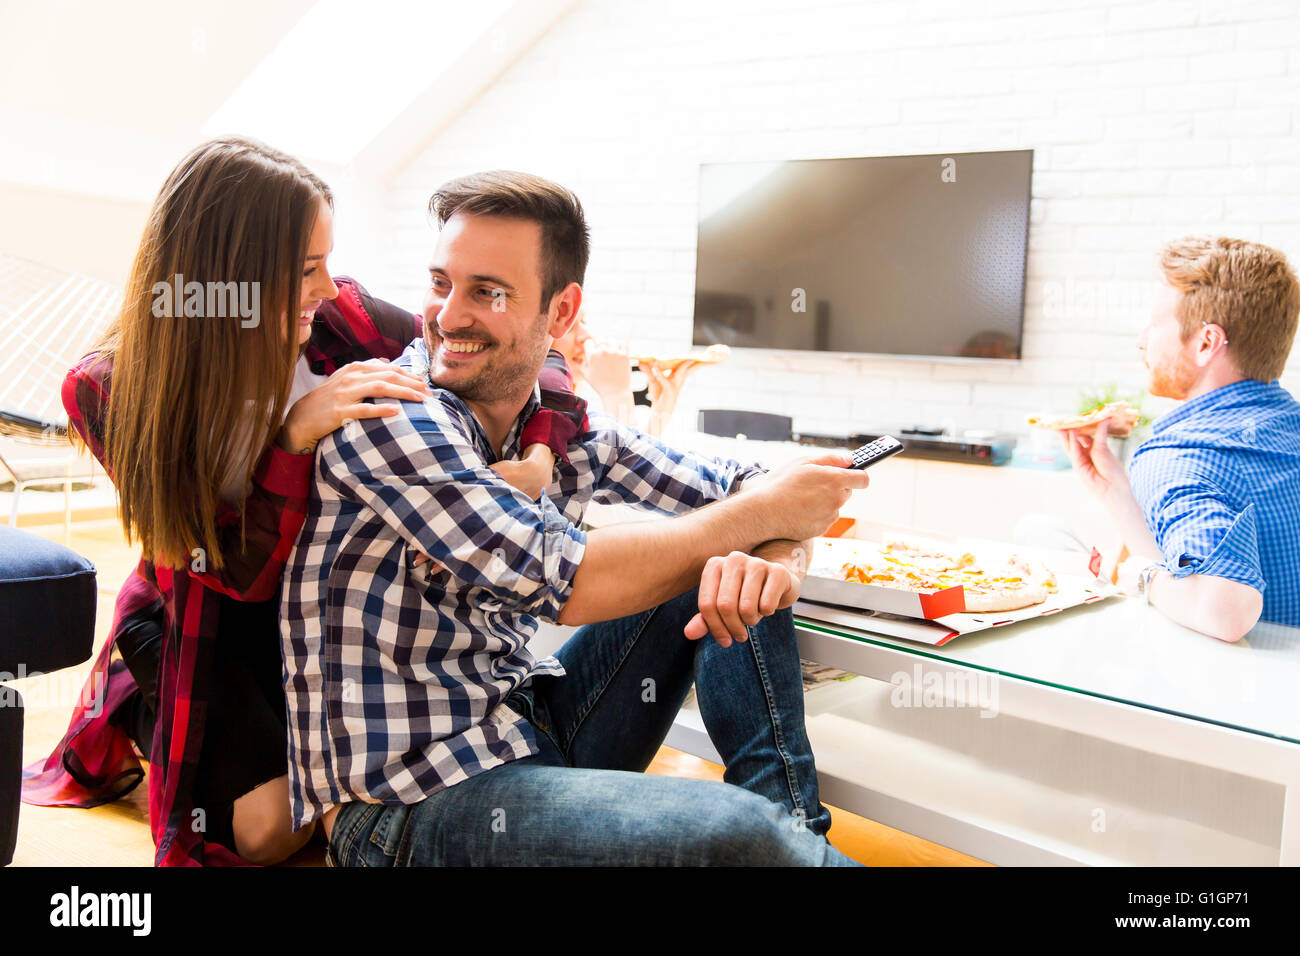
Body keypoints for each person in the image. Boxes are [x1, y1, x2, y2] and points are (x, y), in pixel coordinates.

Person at [22, 138, 587, 866]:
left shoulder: (339, 321)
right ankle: (143, 697)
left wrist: (540, 449)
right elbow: (228, 571)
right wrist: (291, 441)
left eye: (326, 262)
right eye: (305, 270)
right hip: (211, 614)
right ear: (232, 279)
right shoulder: (108, 389)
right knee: (260, 838)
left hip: (324, 607)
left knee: (312, 810)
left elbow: (524, 348)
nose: (328, 286)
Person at [283, 170, 872, 866]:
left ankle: (795, 829)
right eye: (441, 282)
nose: (448, 315)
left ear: (561, 313)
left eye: (487, 292)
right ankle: (782, 843)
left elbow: (755, 487)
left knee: (730, 551)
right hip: (409, 808)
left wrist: (778, 554)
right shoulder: (389, 417)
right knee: (731, 833)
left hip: (525, 732)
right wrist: (764, 517)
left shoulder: (559, 428)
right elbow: (564, 582)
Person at [1062, 236, 1300, 641]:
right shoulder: (1285, 427)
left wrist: (1142, 577)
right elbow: (1183, 569)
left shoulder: (1181, 456)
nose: (1141, 341)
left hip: (1220, 692)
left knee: (1041, 535)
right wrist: (1117, 494)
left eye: (1154, 325)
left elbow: (1226, 611)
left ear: (1206, 343)